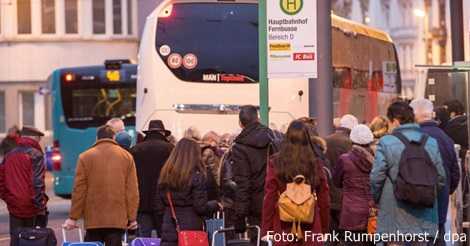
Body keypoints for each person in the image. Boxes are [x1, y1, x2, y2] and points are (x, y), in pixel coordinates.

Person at [370, 101, 446, 245]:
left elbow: (376, 178)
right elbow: (441, 178)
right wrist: (423, 193)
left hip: (393, 219)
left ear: (396, 121)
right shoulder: (431, 142)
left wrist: (376, 198)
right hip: (425, 219)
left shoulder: (386, 142)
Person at [63, 125, 139, 246]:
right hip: (117, 219)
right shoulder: (126, 157)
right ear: (114, 137)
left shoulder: (85, 157)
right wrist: (132, 217)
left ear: (97, 138)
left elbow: (79, 190)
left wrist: (73, 217)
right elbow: (132, 191)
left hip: (93, 219)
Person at [262, 120, 330, 246]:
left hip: (283, 224)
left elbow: (269, 197)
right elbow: (324, 199)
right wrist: (325, 228)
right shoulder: (315, 163)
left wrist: (266, 230)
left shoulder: (276, 163)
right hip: (311, 224)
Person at [410, 99, 460, 245]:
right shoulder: (446, 139)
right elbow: (455, 174)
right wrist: (444, 191)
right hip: (439, 205)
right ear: (431, 114)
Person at [155, 138, 221, 246]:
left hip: (169, 226)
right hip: (191, 228)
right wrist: (215, 205)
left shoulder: (165, 175)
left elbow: (158, 205)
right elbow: (200, 207)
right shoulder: (197, 176)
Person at [231, 105, 277, 234]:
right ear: (258, 118)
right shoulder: (273, 137)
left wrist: (240, 215)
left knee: (258, 239)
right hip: (276, 199)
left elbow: (243, 183)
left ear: (240, 123)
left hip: (256, 205)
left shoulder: (240, 147)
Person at [0, 126, 48, 245]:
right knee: (32, 239)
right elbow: (37, 182)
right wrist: (40, 205)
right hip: (31, 205)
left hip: (14, 204)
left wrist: (8, 198)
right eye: (38, 138)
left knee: (16, 238)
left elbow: (1, 181)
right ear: (33, 138)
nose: (39, 141)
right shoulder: (36, 154)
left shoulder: (9, 155)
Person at [130, 120, 174, 237]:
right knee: (164, 237)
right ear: (162, 133)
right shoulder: (171, 149)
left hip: (141, 202)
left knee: (143, 238)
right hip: (164, 201)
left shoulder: (135, 150)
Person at [333, 124, 375, 245]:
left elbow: (336, 181)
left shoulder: (345, 159)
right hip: (371, 212)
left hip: (350, 213)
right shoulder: (376, 159)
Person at [325, 114, 357, 235]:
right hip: (346, 194)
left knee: (332, 232)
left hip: (329, 192)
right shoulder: (351, 143)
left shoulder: (326, 139)